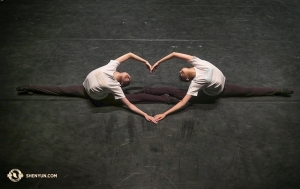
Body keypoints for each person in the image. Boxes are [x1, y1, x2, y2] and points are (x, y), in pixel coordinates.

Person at [16, 52, 170, 124]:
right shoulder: (111, 68)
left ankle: (164, 99)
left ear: (122, 84)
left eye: (128, 80)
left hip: (90, 91)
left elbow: (129, 106)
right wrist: (145, 62)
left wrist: (145, 115)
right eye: (129, 77)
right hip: (88, 92)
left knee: (131, 99)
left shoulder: (114, 83)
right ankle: (30, 87)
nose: (129, 76)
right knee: (60, 90)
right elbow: (129, 54)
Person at [148, 52, 294, 121]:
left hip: (220, 89)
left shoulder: (198, 64)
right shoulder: (197, 79)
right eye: (181, 75)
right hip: (216, 91)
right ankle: (159, 96)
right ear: (188, 78)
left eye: (180, 72)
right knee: (181, 95)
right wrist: (165, 114)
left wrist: (159, 62)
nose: (180, 72)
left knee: (249, 91)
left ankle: (278, 91)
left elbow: (174, 54)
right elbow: (184, 102)